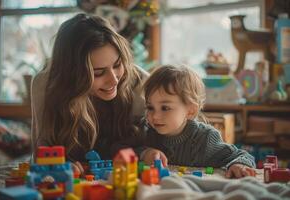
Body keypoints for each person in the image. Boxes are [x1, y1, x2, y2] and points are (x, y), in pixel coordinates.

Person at [31, 13, 149, 173]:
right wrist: (58, 165)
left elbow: (157, 142)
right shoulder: (45, 84)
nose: (114, 80)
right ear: (72, 74)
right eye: (98, 73)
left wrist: (146, 153)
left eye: (117, 65)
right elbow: (42, 148)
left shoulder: (139, 82)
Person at [141, 65, 256, 178]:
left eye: (165, 108)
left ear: (190, 111)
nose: (155, 116)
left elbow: (242, 155)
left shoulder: (205, 138)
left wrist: (239, 164)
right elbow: (130, 151)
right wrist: (145, 153)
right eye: (150, 107)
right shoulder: (147, 132)